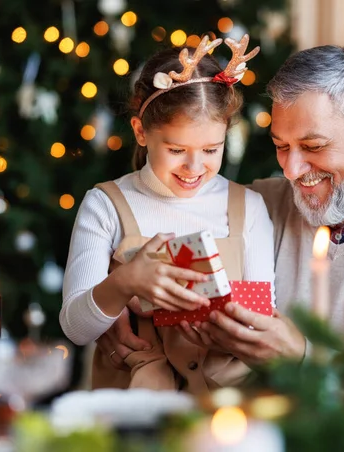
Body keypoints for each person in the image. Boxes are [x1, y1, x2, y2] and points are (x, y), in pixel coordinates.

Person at [96, 45, 344, 371]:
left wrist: (301, 357)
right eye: (281, 146)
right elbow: (151, 229)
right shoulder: (253, 205)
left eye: (314, 146)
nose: (291, 169)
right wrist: (117, 304)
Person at [60, 35, 275, 394]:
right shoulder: (106, 205)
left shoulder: (248, 207)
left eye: (211, 149)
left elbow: (262, 321)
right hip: (131, 402)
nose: (194, 166)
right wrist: (125, 283)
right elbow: (76, 328)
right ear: (141, 132)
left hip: (224, 404)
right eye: (176, 149)